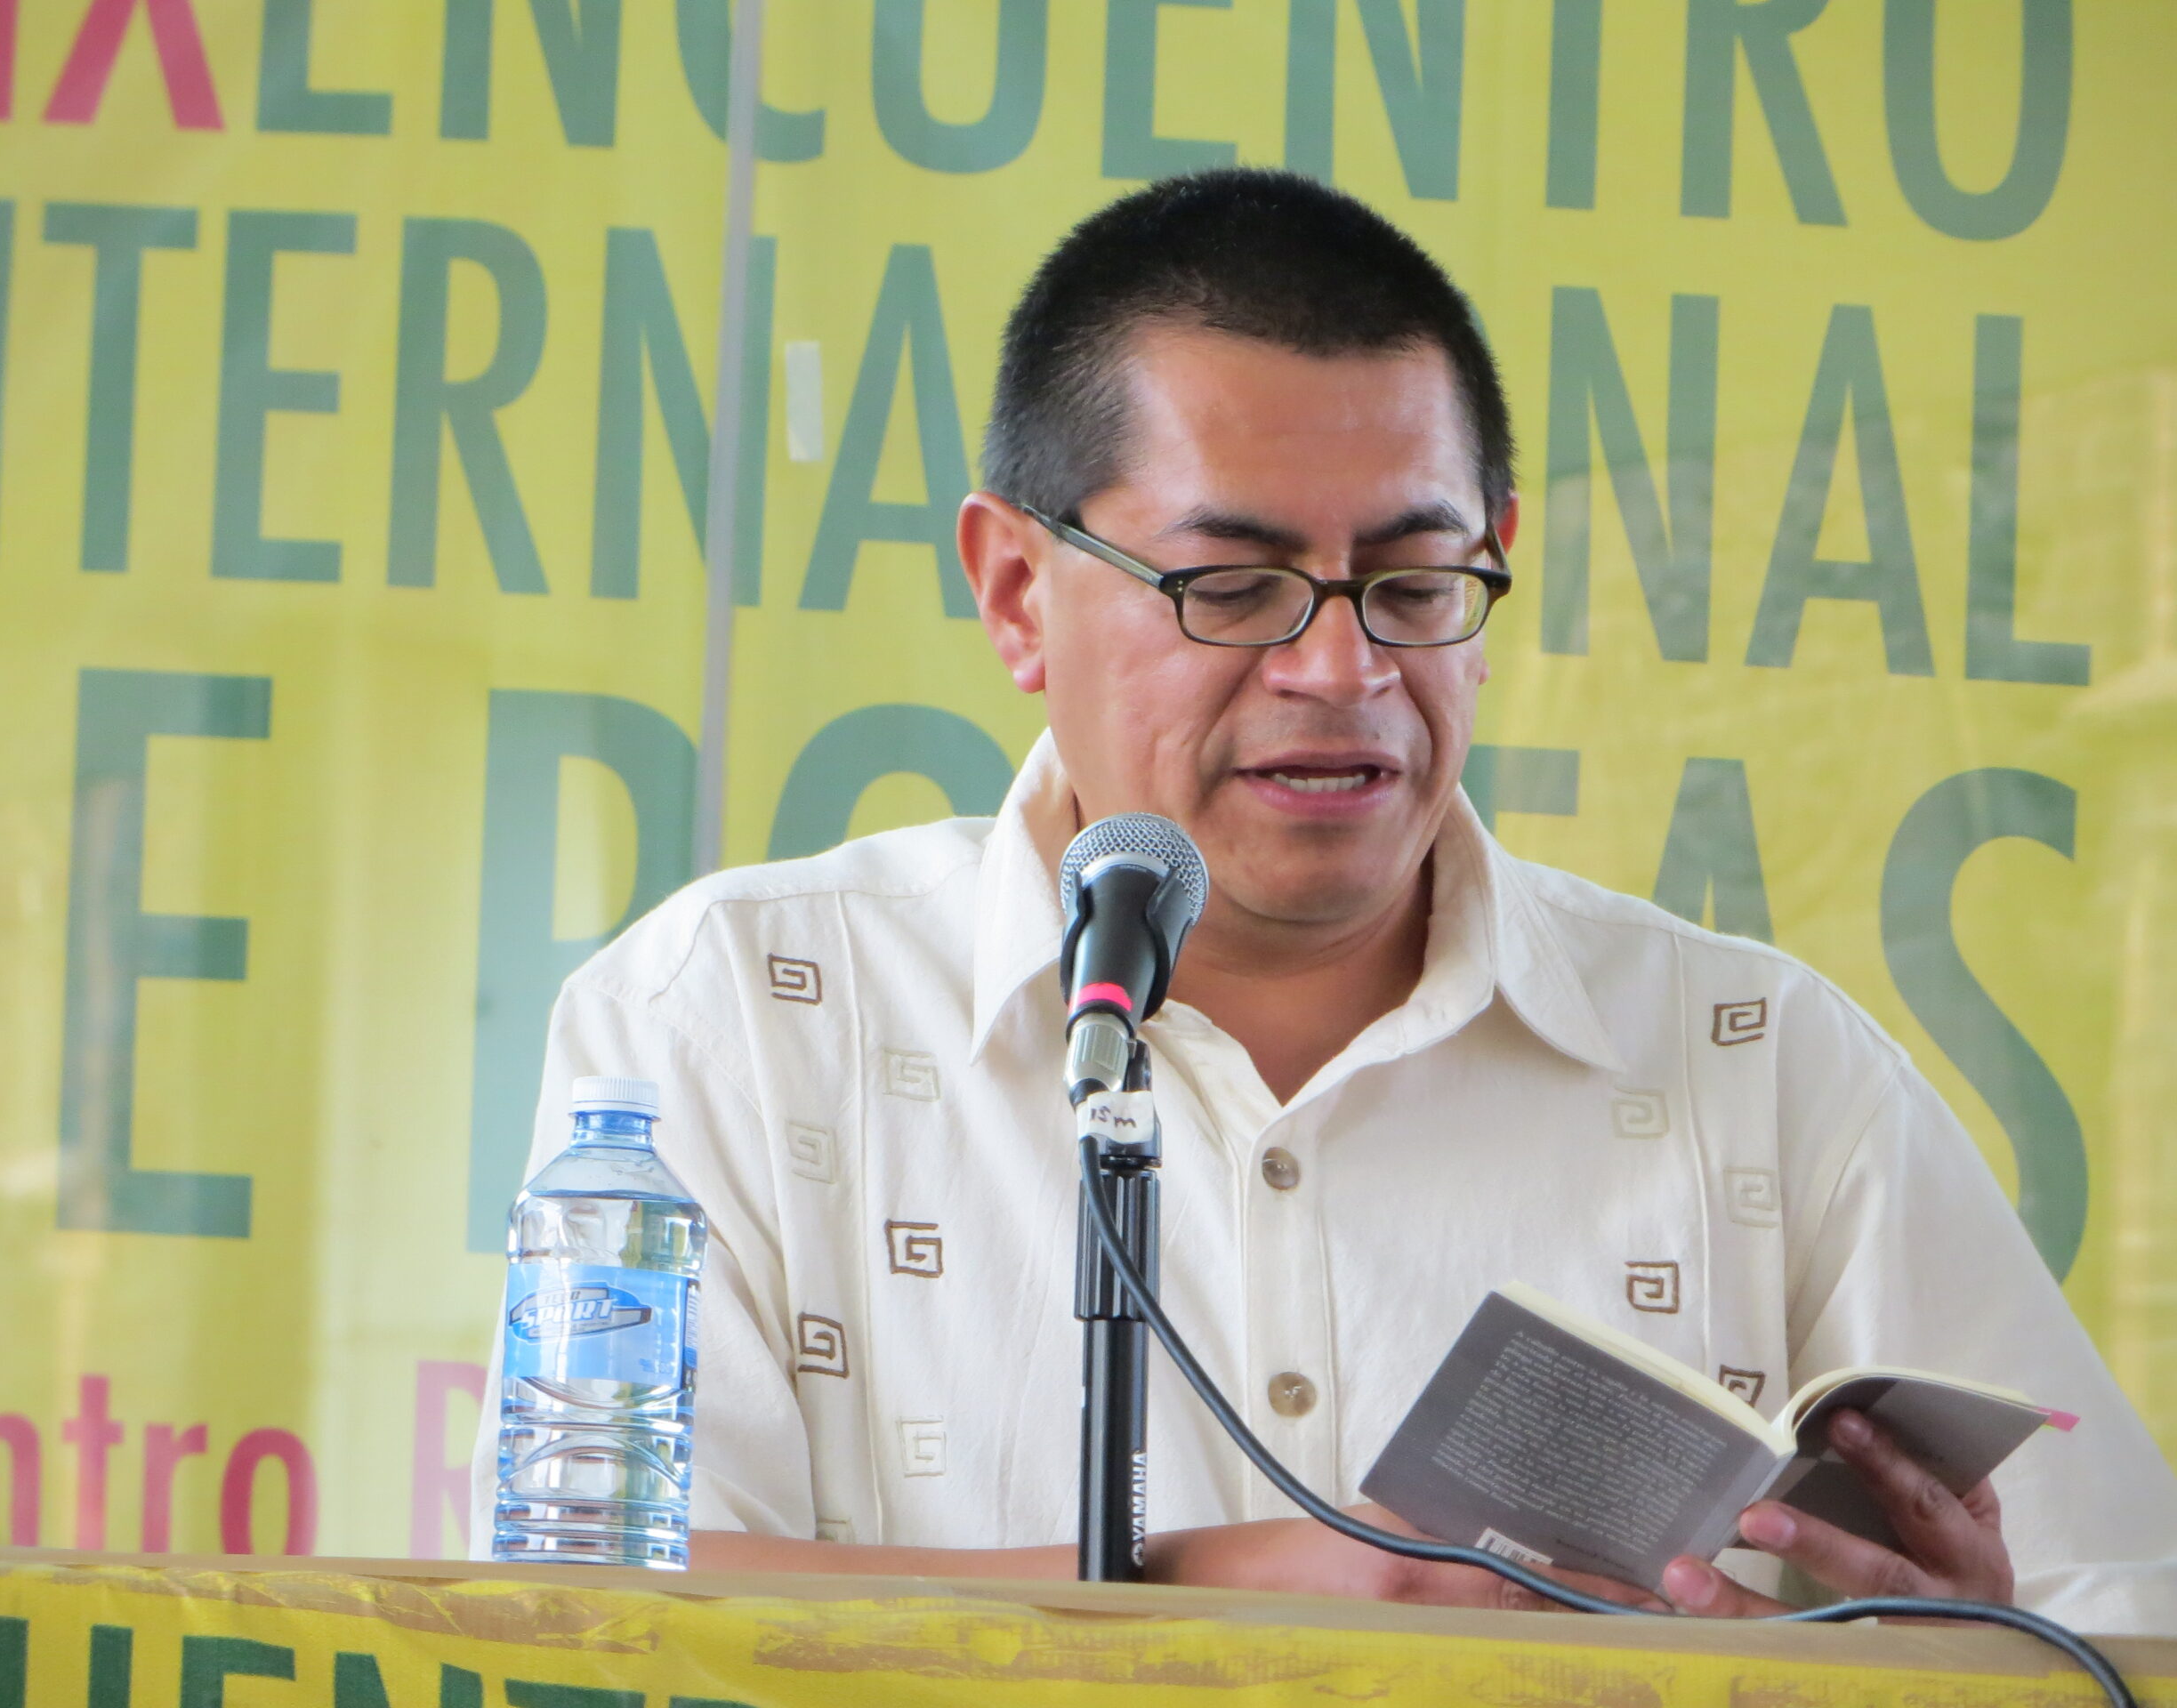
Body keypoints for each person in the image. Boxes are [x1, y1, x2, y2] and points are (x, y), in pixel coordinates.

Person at [472, 169, 2177, 1631]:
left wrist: (1982, 1654)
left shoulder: (1764, 1068)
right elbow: (596, 1605)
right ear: (1016, 591)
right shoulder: (737, 1017)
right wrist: (1219, 1583)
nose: (1342, 669)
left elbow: (2123, 1609)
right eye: (1233, 585)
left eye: (1414, 583)